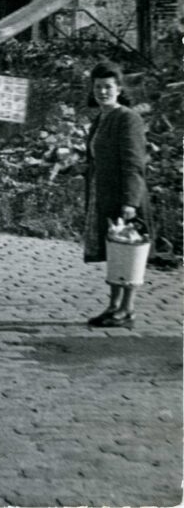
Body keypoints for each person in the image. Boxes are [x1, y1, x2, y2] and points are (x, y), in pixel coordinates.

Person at [83, 60, 151, 330]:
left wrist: (130, 202)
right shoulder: (101, 119)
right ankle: (114, 306)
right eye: (98, 87)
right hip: (104, 194)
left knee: (128, 250)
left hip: (124, 196)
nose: (102, 92)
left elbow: (134, 163)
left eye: (108, 87)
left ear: (119, 89)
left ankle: (127, 309)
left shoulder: (127, 118)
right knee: (114, 251)